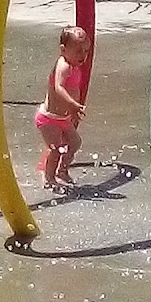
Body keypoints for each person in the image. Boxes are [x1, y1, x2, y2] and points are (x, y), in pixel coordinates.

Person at [36, 25, 91, 188]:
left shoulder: (75, 66)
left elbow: (74, 89)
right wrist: (73, 104)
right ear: (63, 49)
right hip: (49, 118)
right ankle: (49, 178)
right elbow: (59, 87)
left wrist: (72, 110)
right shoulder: (63, 65)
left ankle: (62, 170)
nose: (83, 55)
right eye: (78, 51)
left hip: (63, 118)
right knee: (56, 149)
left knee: (75, 143)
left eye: (85, 51)